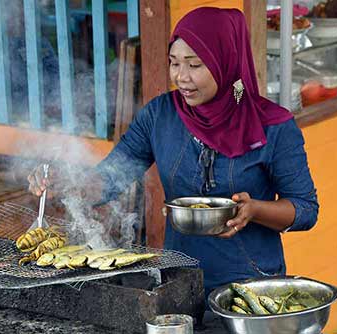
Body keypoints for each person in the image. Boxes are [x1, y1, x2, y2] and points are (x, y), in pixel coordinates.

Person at [28, 7, 319, 297]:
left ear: (225, 62)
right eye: (174, 63)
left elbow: (305, 210)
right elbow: (110, 179)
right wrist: (66, 182)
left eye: (194, 65)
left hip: (251, 288)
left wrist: (254, 210)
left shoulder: (273, 125)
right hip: (179, 283)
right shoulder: (160, 115)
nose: (181, 77)